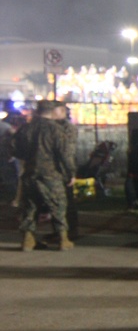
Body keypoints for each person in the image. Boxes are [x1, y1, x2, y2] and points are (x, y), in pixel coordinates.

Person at [14, 98, 77, 250]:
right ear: (52, 112)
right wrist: (71, 172)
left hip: (30, 173)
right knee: (58, 205)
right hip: (51, 174)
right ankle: (63, 239)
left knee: (30, 207)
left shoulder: (25, 129)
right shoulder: (56, 129)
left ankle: (28, 240)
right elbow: (65, 153)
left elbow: (16, 150)